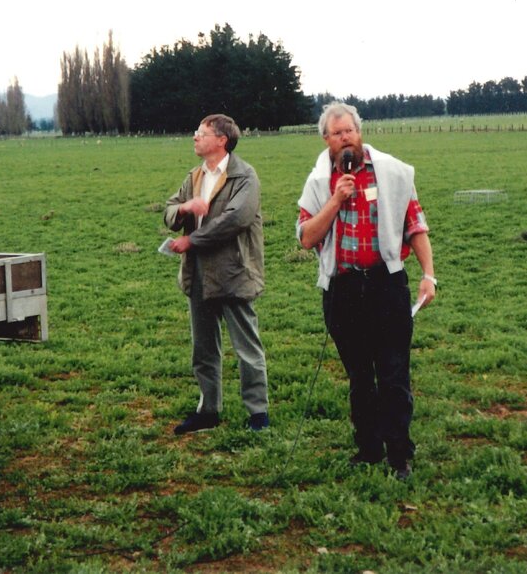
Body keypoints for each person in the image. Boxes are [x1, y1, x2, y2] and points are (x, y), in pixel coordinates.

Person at [296, 103, 436, 479]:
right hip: (342, 289)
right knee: (360, 377)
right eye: (337, 133)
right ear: (326, 139)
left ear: (360, 132)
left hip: (385, 285)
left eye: (350, 131)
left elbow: (415, 225)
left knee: (393, 374)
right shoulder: (318, 181)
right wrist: (335, 200)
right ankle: (369, 447)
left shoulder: (392, 173)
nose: (346, 139)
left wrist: (428, 275)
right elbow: (307, 238)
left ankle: (399, 453)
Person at [164, 114, 270, 434]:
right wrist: (184, 209)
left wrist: (191, 240)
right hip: (198, 274)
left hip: (234, 272)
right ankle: (208, 410)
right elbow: (169, 209)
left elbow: (236, 219)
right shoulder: (194, 176)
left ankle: (258, 414)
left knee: (247, 348)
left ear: (222, 140)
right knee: (204, 348)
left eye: (202, 132)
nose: (195, 137)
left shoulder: (245, 177)